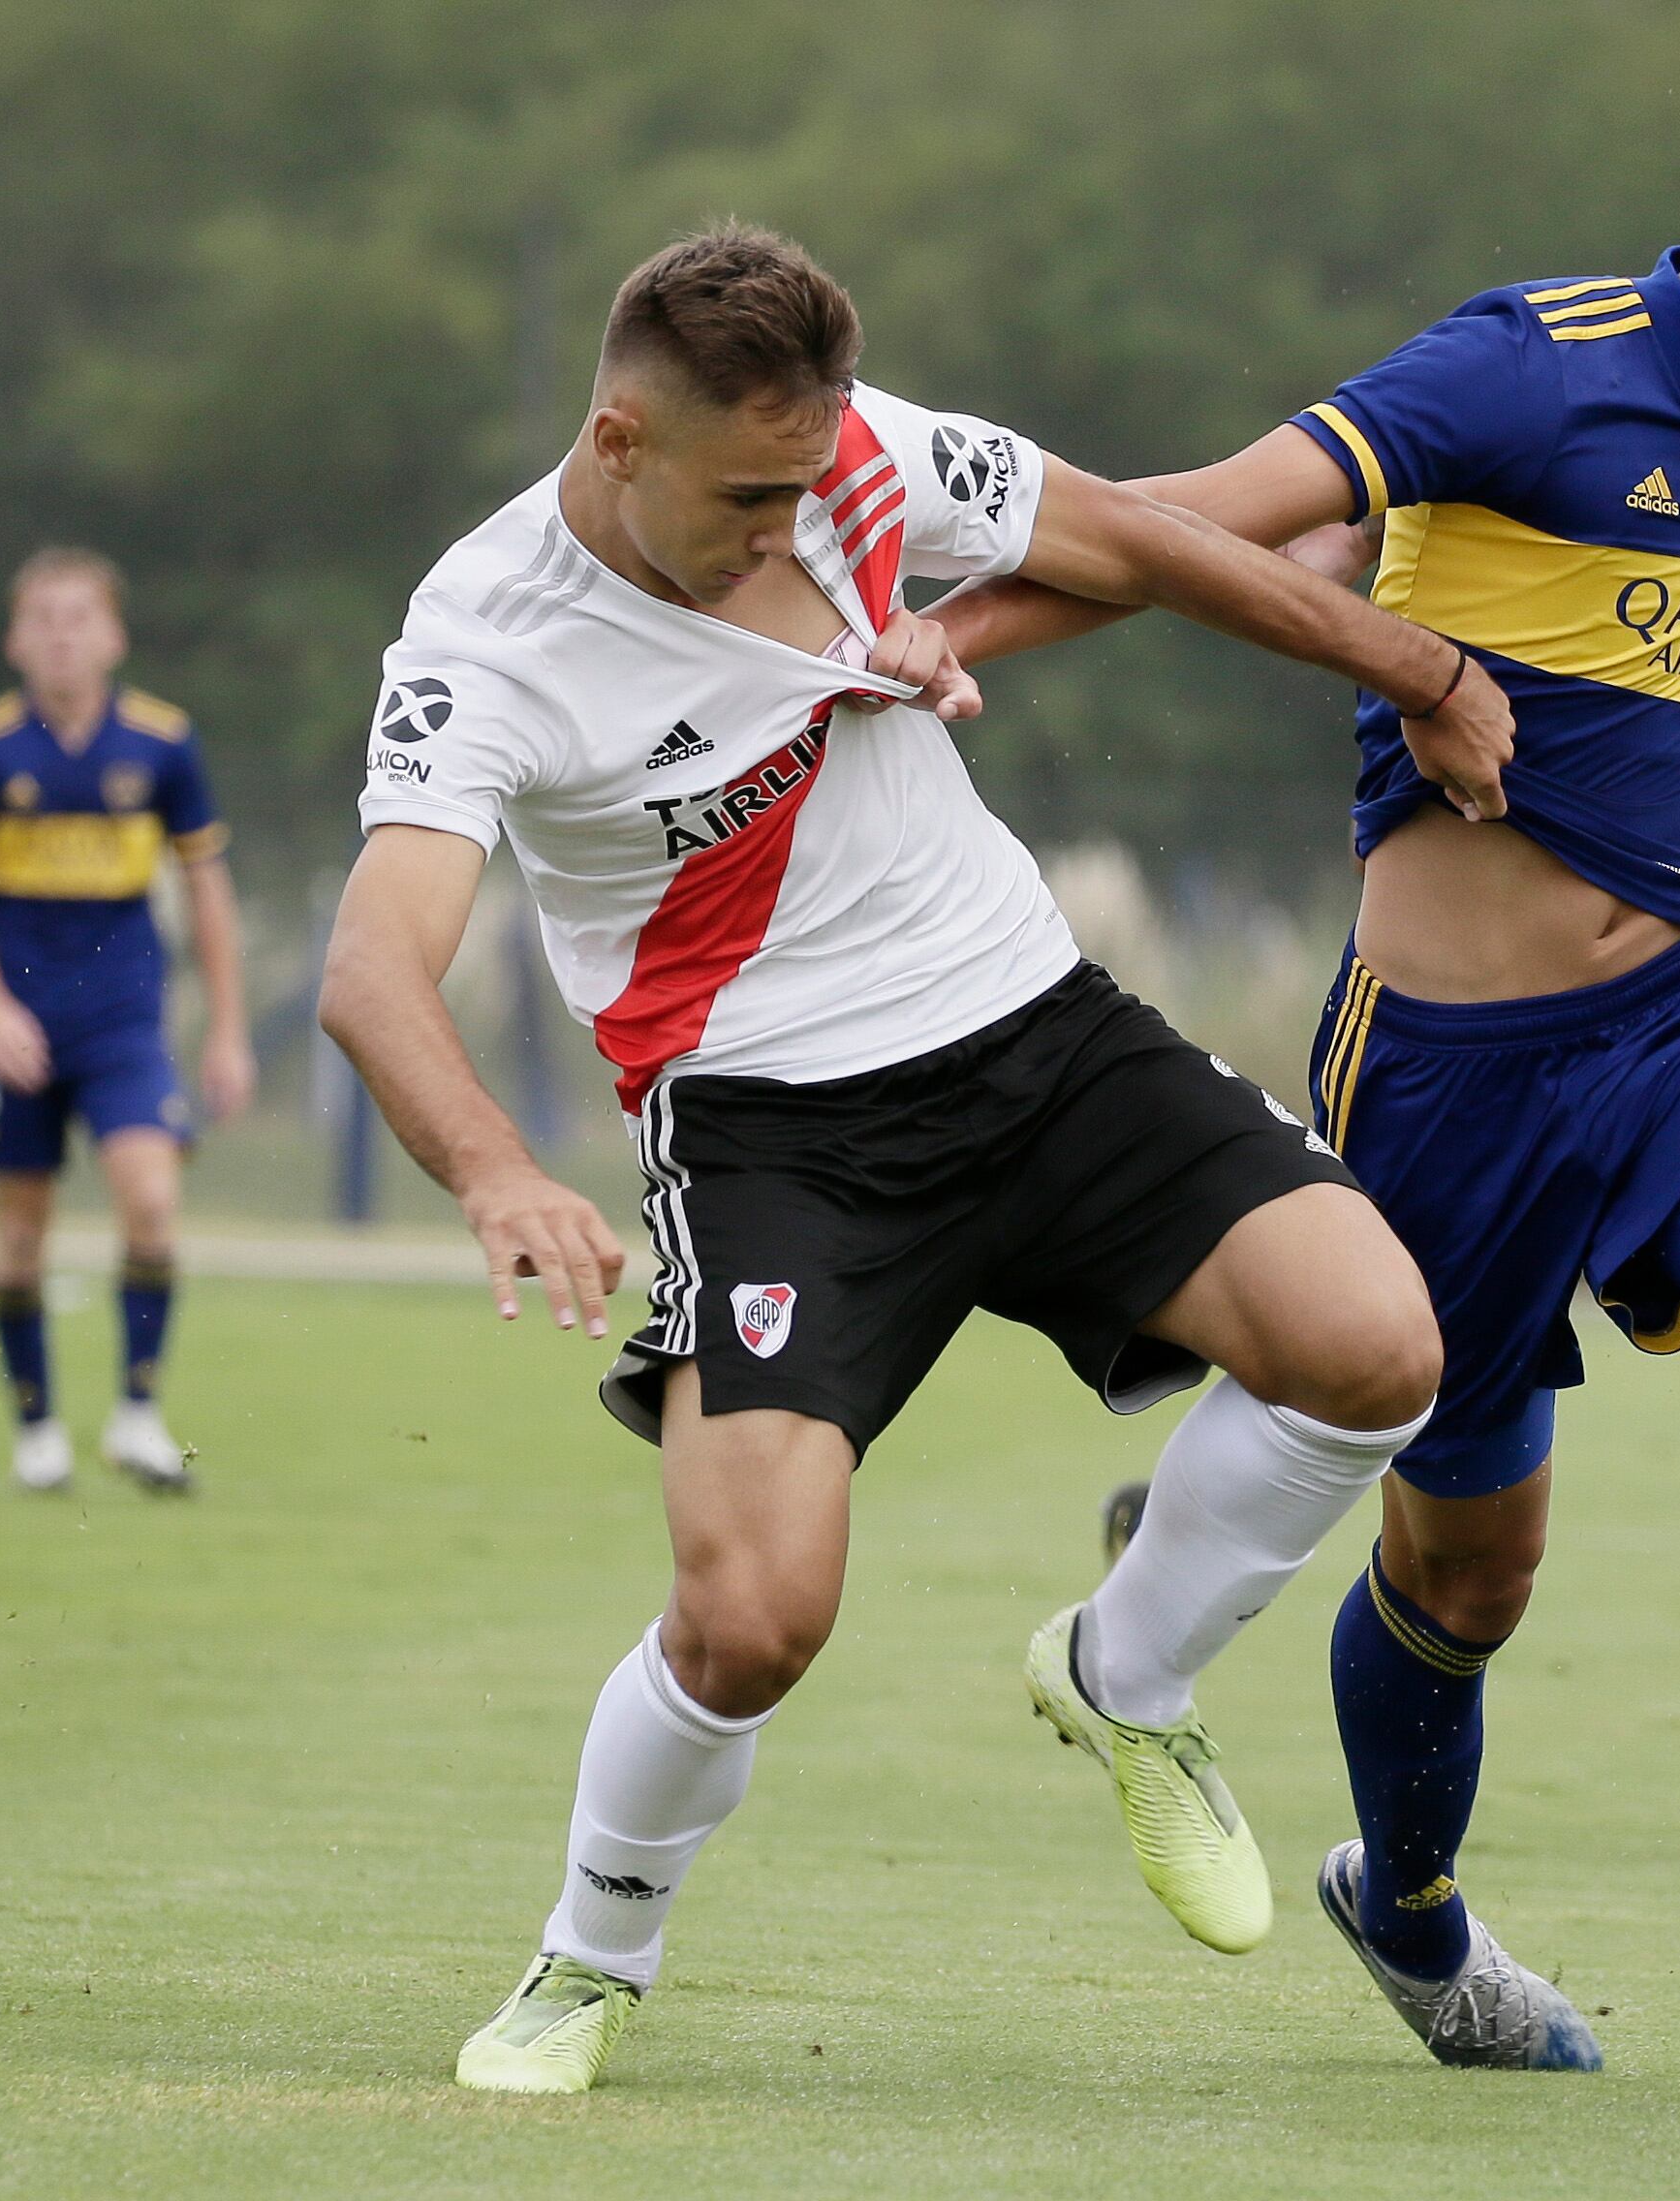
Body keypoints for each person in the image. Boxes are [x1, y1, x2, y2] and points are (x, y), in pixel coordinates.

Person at [321, 223, 1522, 2094]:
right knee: (750, 1617)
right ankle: (587, 1957)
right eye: (746, 494)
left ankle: (1125, 1670)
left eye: (811, 482)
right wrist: (492, 1169)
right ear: (619, 441)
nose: (791, 525)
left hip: (1031, 1030)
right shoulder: (484, 635)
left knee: (1376, 1342)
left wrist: (1412, 665)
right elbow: (371, 967)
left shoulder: (852, 451)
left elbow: (1133, 540)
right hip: (769, 1130)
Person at [942, 78, 1680, 2070]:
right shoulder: (1527, 369)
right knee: (1473, 1566)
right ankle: (1414, 1911)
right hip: (1451, 1077)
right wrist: (947, 640)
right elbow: (1189, 525)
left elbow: (1640, 733)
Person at [0, 548, 252, 1495]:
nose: (62, 634)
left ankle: (138, 1416)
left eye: (80, 617)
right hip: (16, 1031)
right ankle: (35, 1429)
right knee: (19, 1235)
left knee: (151, 1203)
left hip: (121, 1024)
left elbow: (208, 891)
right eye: (44, 618)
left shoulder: (160, 743)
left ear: (113, 635)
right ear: (14, 639)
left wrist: (227, 1027)